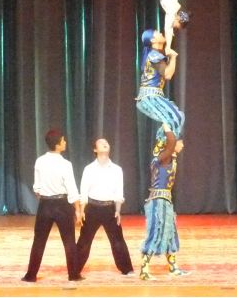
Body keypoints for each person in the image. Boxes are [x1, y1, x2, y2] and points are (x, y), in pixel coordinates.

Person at [22, 129, 83, 282]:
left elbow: (37, 188)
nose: (65, 143)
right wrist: (77, 209)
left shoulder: (40, 161)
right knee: (69, 240)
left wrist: (45, 195)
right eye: (63, 140)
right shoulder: (65, 164)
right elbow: (72, 188)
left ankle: (31, 275)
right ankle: (73, 275)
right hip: (62, 204)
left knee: (39, 241)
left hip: (45, 204)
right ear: (57, 144)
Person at [75, 138, 134, 276]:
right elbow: (84, 191)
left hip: (109, 208)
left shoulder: (117, 169)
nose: (105, 143)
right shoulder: (89, 169)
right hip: (92, 208)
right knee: (84, 241)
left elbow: (119, 192)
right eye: (101, 143)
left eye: (106, 142)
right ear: (95, 149)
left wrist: (118, 210)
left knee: (118, 240)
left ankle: (126, 269)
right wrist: (82, 210)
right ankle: (74, 269)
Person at [139, 125, 190, 280]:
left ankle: (173, 267)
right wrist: (167, 126)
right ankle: (144, 270)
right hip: (158, 202)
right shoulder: (163, 158)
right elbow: (172, 141)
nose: (182, 145)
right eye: (180, 141)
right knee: (156, 232)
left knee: (170, 233)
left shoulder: (168, 158)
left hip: (165, 201)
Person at [136, 29, 184, 145]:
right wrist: (173, 57)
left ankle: (164, 144)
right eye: (157, 33)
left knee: (177, 117)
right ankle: (164, 144)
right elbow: (168, 74)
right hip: (150, 96)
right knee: (175, 117)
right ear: (153, 40)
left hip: (153, 96)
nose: (161, 33)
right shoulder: (154, 55)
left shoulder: (154, 54)